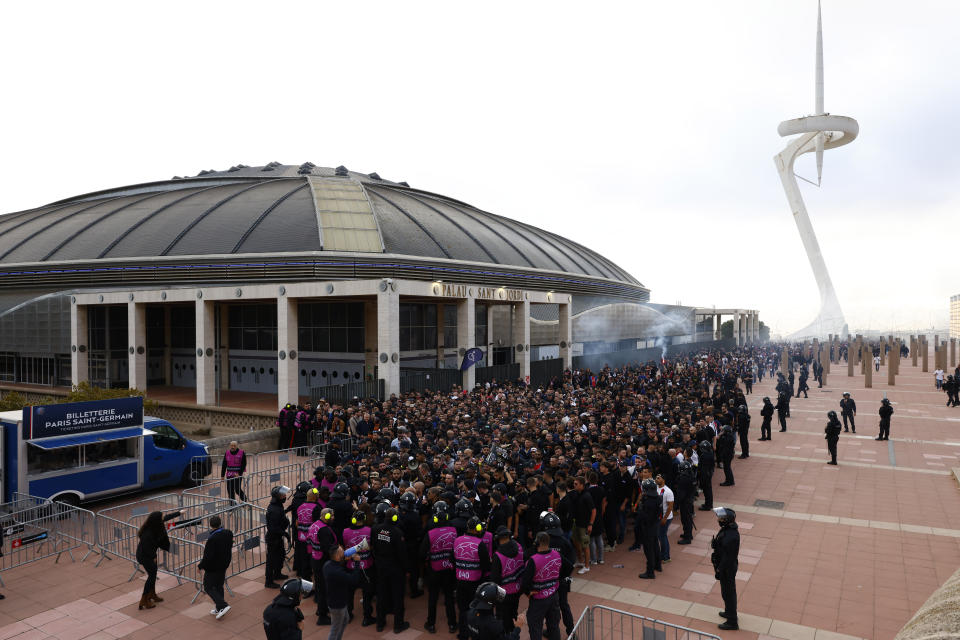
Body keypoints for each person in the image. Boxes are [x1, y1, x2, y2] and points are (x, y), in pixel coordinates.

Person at [421, 500, 458, 634]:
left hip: (434, 570)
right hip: (449, 569)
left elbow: (422, 552)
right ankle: (452, 624)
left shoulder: (430, 533)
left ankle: (431, 624)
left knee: (433, 597)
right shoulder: (454, 531)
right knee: (449, 597)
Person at [521, 531, 566, 640]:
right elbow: (568, 567)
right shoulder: (557, 554)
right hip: (553, 595)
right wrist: (556, 580)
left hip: (539, 599)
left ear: (537, 542)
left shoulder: (533, 560)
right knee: (554, 624)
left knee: (535, 626)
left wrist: (528, 592)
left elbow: (524, 582)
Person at [372, 506, 410, 633]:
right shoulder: (397, 532)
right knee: (398, 596)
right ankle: (398, 624)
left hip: (381, 566)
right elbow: (402, 554)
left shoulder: (376, 529)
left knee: (381, 594)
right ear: (395, 518)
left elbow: (374, 547)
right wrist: (406, 568)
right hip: (395, 568)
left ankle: (380, 623)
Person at [538, 510, 576, 636]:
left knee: (550, 609)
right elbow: (571, 563)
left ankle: (551, 631)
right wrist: (563, 575)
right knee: (564, 605)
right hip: (562, 580)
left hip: (548, 582)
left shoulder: (542, 543)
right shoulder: (565, 541)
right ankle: (571, 632)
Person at [454, 517, 491, 640]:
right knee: (475, 609)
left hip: (460, 581)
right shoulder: (480, 544)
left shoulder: (457, 540)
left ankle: (463, 634)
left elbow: (451, 559)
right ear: (478, 528)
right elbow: (486, 566)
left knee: (462, 609)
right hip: (475, 583)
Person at [341, 510, 375, 626]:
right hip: (366, 566)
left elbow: (343, 549)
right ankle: (367, 617)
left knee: (349, 593)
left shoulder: (345, 532)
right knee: (367, 593)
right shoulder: (370, 530)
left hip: (350, 567)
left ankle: (348, 614)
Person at [136, 510, 174, 610]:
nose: (163, 519)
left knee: (153, 574)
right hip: (145, 556)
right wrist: (153, 557)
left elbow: (166, 518)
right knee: (151, 576)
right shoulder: (148, 533)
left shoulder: (153, 526)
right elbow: (146, 548)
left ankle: (152, 595)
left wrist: (179, 513)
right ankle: (144, 600)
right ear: (157, 520)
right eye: (161, 518)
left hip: (149, 555)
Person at [198, 515, 234, 619]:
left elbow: (208, 556)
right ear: (220, 523)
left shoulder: (212, 538)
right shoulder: (228, 533)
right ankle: (219, 608)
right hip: (224, 564)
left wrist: (200, 566)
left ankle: (223, 605)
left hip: (214, 567)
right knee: (219, 585)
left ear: (211, 525)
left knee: (208, 587)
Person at [322, 545, 361, 640]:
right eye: (342, 551)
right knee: (335, 629)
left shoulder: (327, 565)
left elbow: (338, 567)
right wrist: (357, 562)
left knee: (345, 620)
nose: (344, 551)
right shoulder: (337, 572)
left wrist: (346, 560)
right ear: (337, 555)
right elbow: (354, 580)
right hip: (338, 604)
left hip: (335, 600)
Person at [711, 507, 740, 631]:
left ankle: (732, 621)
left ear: (727, 520)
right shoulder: (727, 529)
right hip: (725, 567)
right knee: (725, 592)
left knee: (729, 593)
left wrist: (719, 569)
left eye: (721, 518)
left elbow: (728, 557)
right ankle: (728, 612)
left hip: (727, 569)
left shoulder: (731, 536)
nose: (719, 520)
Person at [490, 527, 524, 633]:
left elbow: (495, 580)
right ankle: (513, 631)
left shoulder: (497, 556)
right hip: (518, 589)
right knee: (513, 612)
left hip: (504, 594)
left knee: (503, 619)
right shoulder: (519, 547)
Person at [308, 509, 338, 625]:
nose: (334, 518)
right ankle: (322, 616)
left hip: (315, 559)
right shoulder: (324, 530)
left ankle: (321, 609)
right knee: (323, 589)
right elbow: (328, 549)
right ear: (326, 516)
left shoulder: (315, 525)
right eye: (332, 516)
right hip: (322, 562)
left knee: (320, 587)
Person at [266, 486, 291, 589]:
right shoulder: (274, 510)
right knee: (271, 560)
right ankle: (269, 581)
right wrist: (284, 533)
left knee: (280, 556)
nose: (285, 496)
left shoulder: (278, 505)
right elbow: (273, 528)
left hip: (278, 537)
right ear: (278, 496)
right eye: (283, 495)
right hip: (273, 538)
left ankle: (277, 573)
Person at [635, 478, 661, 579]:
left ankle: (650, 572)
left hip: (648, 527)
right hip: (655, 525)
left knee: (648, 549)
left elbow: (643, 516)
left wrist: (640, 509)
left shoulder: (648, 501)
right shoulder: (658, 498)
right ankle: (658, 566)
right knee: (655, 545)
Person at [673, 459, 696, 545]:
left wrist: (676, 505)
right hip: (689, 500)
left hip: (685, 501)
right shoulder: (691, 475)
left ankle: (687, 537)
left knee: (686, 519)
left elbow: (680, 494)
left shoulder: (683, 478)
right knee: (688, 519)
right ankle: (688, 534)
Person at [654, 473, 674, 563]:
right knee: (660, 536)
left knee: (662, 536)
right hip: (658, 517)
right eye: (656, 478)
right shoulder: (656, 488)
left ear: (663, 480)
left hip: (666, 518)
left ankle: (666, 557)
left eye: (658, 478)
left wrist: (665, 518)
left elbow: (670, 507)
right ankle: (663, 555)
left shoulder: (668, 491)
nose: (656, 479)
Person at [696, 440, 715, 511]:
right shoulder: (710, 453)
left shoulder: (705, 456)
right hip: (708, 474)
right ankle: (708, 504)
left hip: (705, 475)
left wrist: (701, 478)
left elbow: (703, 468)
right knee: (708, 490)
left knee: (707, 491)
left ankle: (708, 505)